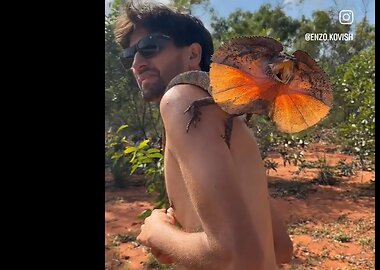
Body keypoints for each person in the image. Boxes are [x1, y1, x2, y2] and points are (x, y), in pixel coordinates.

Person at [114, 1, 293, 269]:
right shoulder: (232, 125)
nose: (137, 63)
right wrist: (177, 241)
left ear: (192, 54)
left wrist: (157, 232)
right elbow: (280, 249)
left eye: (149, 47)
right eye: (130, 56)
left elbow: (237, 256)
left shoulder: (181, 97)